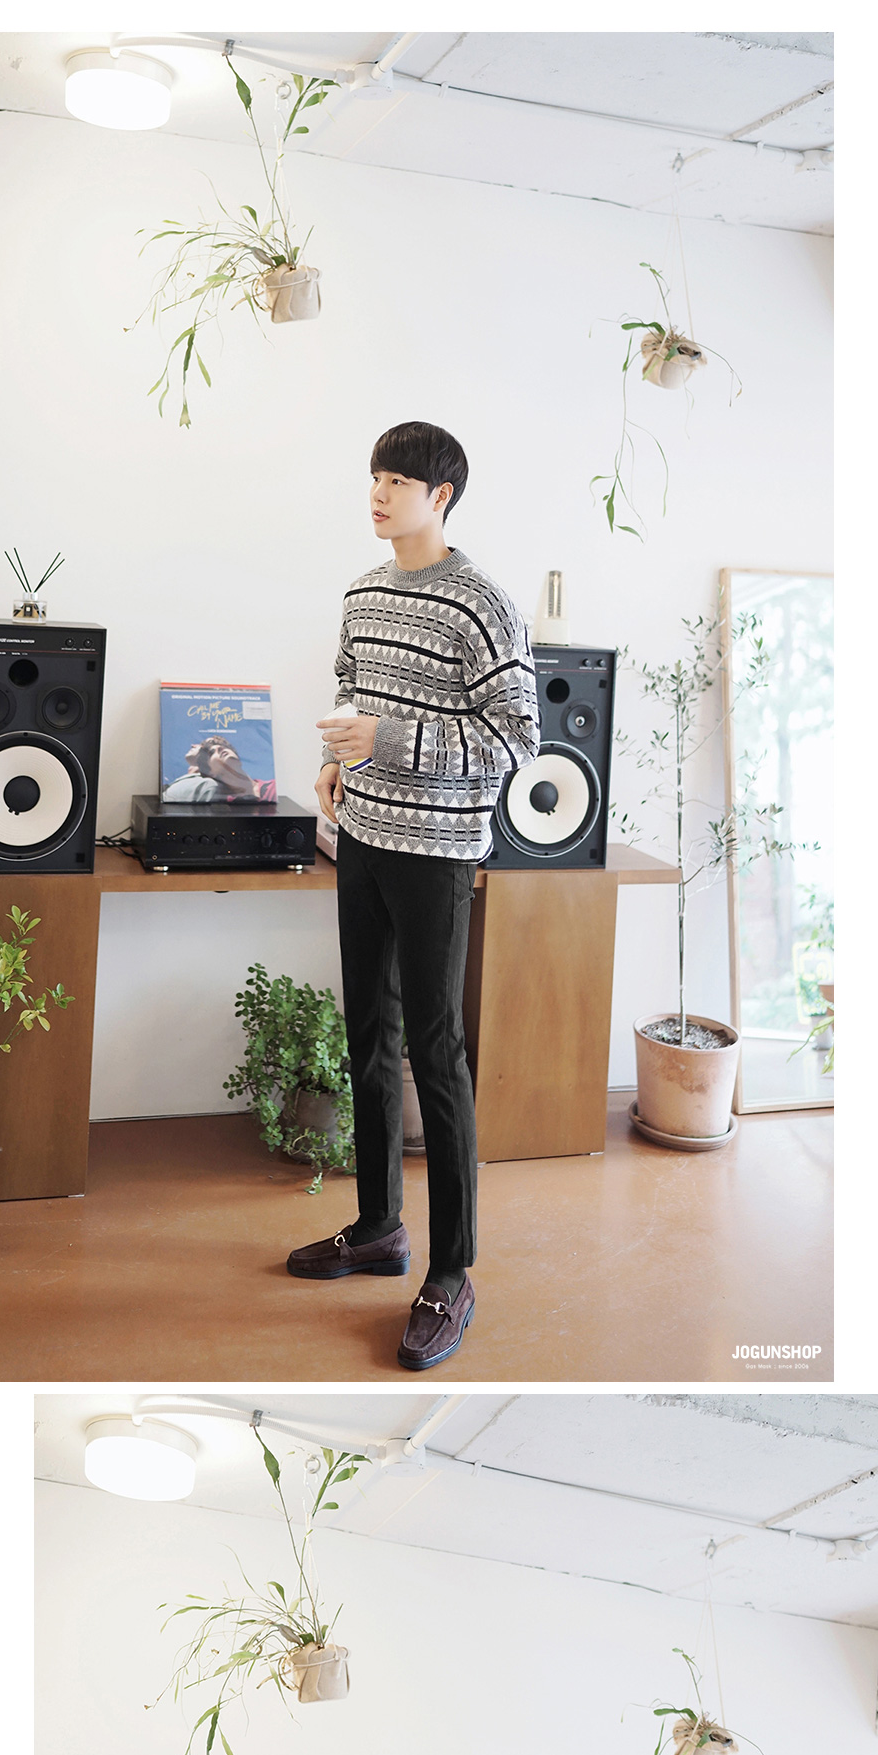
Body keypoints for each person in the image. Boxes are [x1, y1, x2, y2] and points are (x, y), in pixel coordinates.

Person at [286, 421, 539, 1369]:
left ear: (443, 496)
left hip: (436, 853)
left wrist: (388, 743)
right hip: (361, 838)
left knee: (437, 1053)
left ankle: (453, 1271)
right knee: (368, 1036)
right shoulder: (362, 592)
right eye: (375, 477)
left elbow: (519, 741)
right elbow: (350, 691)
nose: (379, 493)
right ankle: (378, 1228)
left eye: (398, 481)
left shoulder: (483, 606)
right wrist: (333, 764)